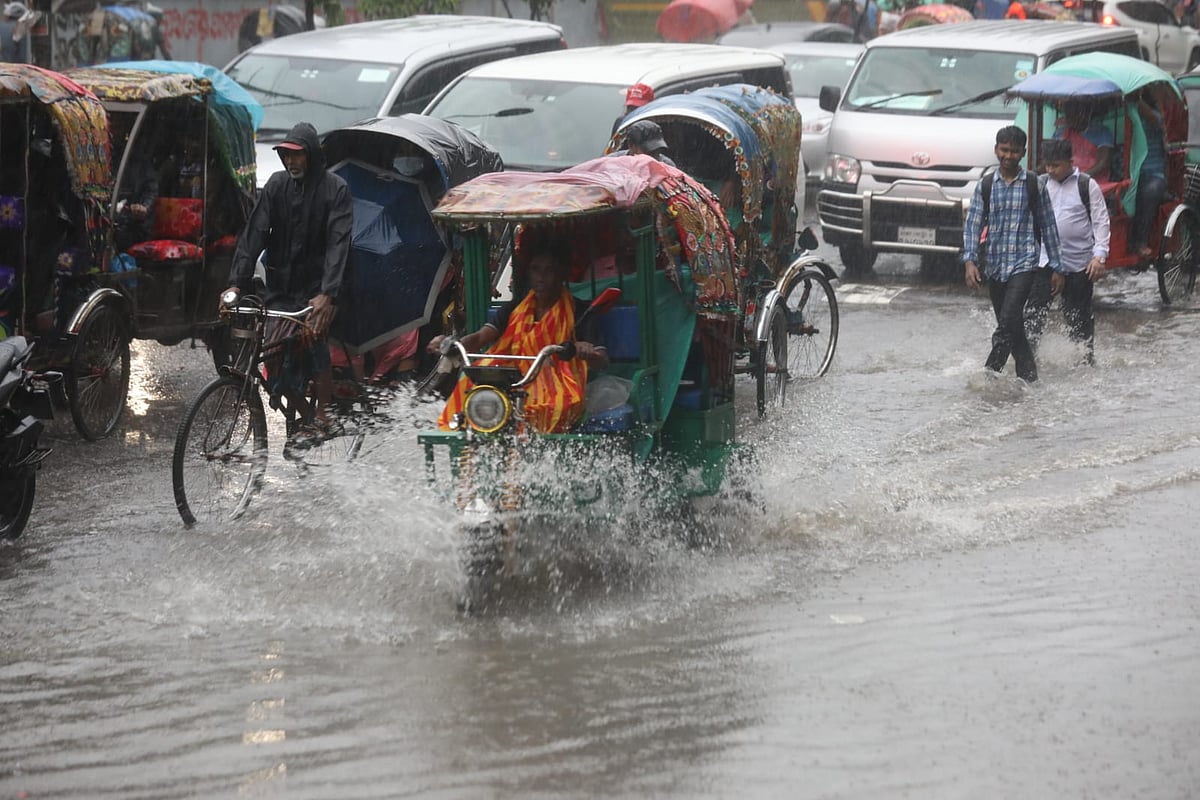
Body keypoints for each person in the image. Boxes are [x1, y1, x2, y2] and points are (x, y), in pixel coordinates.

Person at [224, 121, 353, 432]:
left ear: (311, 156)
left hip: (319, 289)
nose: (291, 162)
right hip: (281, 287)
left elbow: (338, 244)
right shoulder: (276, 186)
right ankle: (301, 411)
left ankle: (324, 412)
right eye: (286, 156)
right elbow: (254, 234)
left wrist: (328, 294)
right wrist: (235, 284)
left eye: (297, 155)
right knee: (272, 357)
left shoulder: (335, 190)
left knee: (313, 337)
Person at [428, 238, 609, 433]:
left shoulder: (580, 311)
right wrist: (451, 344)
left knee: (546, 409)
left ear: (561, 273)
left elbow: (602, 359)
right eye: (535, 269)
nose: (541, 277)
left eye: (549, 270)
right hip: (511, 378)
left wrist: (586, 351)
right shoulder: (515, 308)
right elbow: (482, 337)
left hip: (557, 386)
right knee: (470, 394)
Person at [963, 125, 1063, 383]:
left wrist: (1057, 267)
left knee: (1007, 320)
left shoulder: (1034, 184)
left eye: (1014, 151)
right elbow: (973, 224)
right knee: (1013, 326)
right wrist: (970, 261)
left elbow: (1048, 225)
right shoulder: (985, 185)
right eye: (1004, 150)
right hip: (995, 266)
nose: (1008, 156)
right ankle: (1029, 381)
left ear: (1023, 153)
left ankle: (989, 375)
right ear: (996, 150)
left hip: (1025, 263)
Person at [1026, 139, 1110, 366]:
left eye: (1056, 165)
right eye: (1047, 166)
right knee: (1033, 314)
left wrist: (1099, 256)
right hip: (1044, 262)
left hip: (1078, 264)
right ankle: (1026, 360)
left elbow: (1101, 222)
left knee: (1079, 317)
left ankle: (1084, 360)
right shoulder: (1040, 184)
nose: (1051, 170)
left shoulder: (1086, 185)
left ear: (1070, 163)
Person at [110, 114, 159, 252]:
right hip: (107, 217)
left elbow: (151, 189)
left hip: (132, 223)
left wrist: (143, 207)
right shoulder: (103, 154)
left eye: (117, 127)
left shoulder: (137, 158)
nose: (113, 131)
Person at [1131, 92, 1168, 263]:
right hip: (1130, 171)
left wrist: (1136, 102)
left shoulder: (1154, 117)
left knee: (1150, 191)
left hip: (1153, 173)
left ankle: (1141, 240)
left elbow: (1157, 121)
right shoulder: (1121, 114)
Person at [1054, 100, 1114, 181]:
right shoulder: (1060, 132)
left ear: (1086, 113)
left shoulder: (1101, 132)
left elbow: (1103, 163)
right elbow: (1051, 158)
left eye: (1075, 113)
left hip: (1093, 180)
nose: (1070, 117)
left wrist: (1081, 177)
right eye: (1068, 113)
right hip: (1063, 178)